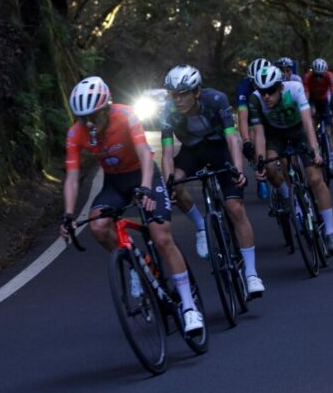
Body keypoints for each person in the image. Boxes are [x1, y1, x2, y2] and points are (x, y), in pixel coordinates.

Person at [59, 76, 203, 333]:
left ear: (107, 109)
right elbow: (71, 178)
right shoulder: (75, 133)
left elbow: (145, 156)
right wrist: (68, 215)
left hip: (143, 174)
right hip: (114, 183)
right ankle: (137, 266)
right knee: (99, 227)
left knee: (161, 236)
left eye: (94, 116)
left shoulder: (126, 116)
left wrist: (146, 188)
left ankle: (190, 307)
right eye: (83, 118)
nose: (89, 123)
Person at [160, 65, 265, 297]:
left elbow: (231, 138)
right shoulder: (167, 110)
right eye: (173, 94)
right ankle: (200, 226)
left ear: (197, 92)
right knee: (174, 184)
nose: (177, 100)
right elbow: (167, 153)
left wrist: (238, 170)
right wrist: (168, 183)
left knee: (235, 208)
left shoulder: (216, 99)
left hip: (220, 150)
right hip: (191, 152)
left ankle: (251, 273)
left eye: (183, 93)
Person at [250, 64, 333, 255]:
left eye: (271, 91)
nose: (266, 96)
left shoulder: (294, 89)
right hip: (275, 135)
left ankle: (331, 232)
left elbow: (308, 123)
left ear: (280, 87)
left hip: (298, 131)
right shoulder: (255, 100)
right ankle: (289, 199)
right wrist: (260, 162)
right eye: (262, 91)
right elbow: (259, 134)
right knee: (270, 168)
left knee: (315, 178)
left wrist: (315, 151)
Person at [303, 58, 333, 170]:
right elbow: (306, 95)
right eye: (316, 75)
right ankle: (315, 143)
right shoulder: (308, 76)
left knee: (329, 130)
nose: (318, 78)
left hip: (324, 99)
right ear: (313, 72)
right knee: (312, 115)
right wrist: (307, 112)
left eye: (321, 76)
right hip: (313, 99)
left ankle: (331, 157)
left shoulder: (329, 75)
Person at [237, 58, 272, 165]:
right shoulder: (243, 87)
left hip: (270, 111)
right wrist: (246, 141)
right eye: (255, 81)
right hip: (253, 113)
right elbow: (242, 117)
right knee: (253, 136)